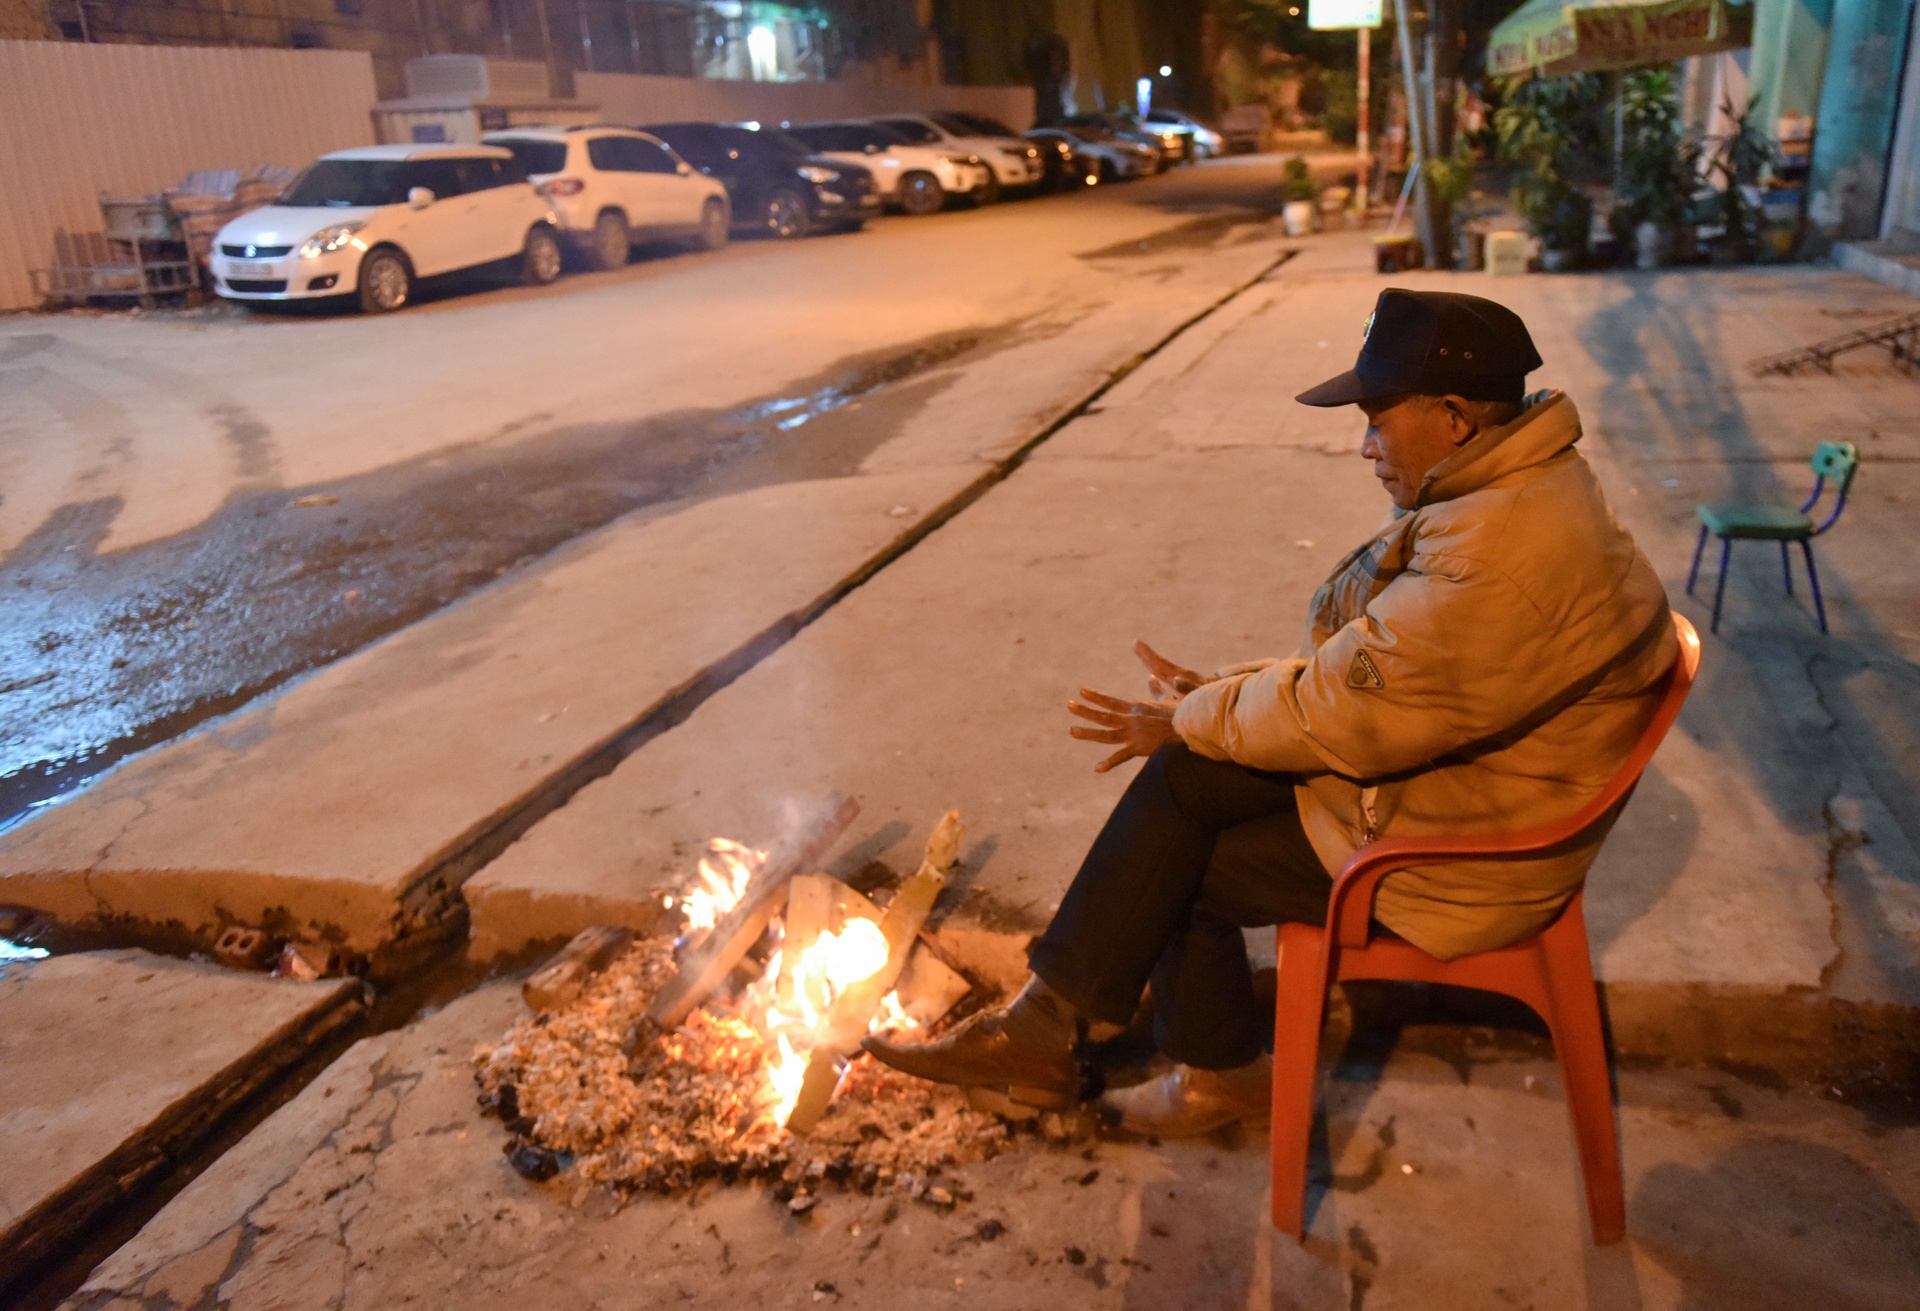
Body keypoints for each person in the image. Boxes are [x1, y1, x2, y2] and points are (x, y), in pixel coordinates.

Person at [863, 288, 1678, 1135]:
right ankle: (1045, 1023)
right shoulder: (1518, 486)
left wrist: (1194, 713)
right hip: (1458, 776)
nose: (1364, 445)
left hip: (1467, 844)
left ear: (1456, 417)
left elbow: (1347, 710)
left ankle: (1206, 1073)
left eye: (1376, 418)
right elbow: (1385, 673)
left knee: (1173, 868)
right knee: (1188, 775)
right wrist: (1211, 700)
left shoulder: (1498, 555)